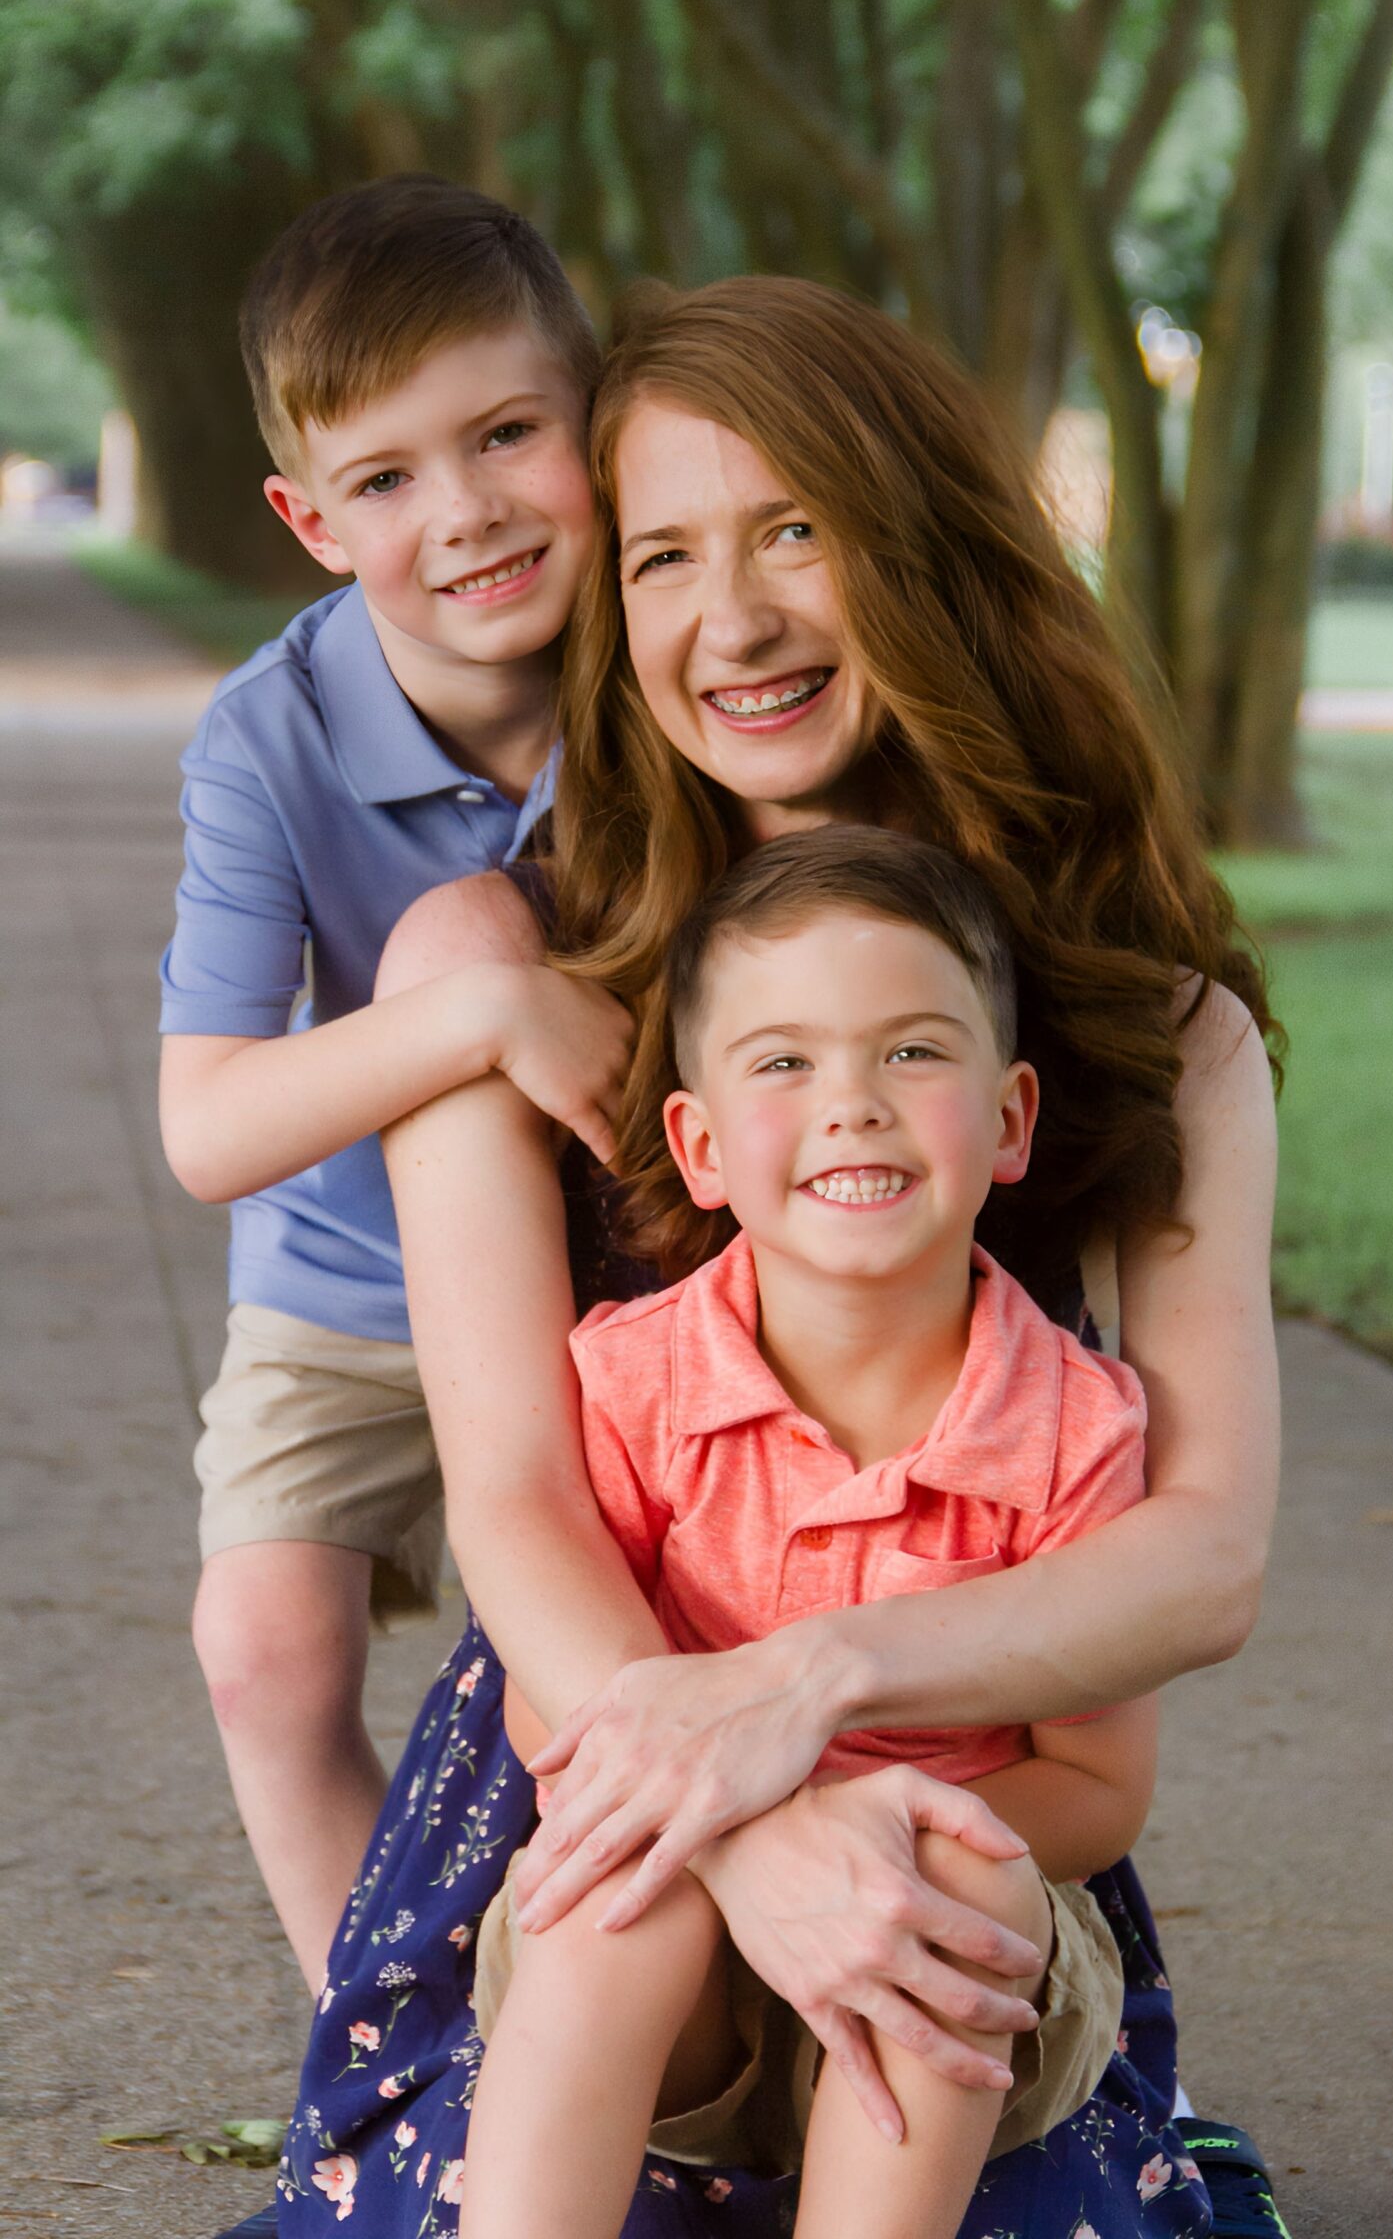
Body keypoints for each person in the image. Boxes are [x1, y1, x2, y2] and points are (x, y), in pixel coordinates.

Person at [277, 276, 1284, 2238]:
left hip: (951, 1780)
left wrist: (812, 1695)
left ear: (917, 549)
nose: (728, 620)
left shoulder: (1152, 1020)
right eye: (664, 553)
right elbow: (511, 1498)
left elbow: (1206, 1548)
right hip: (602, 1753)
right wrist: (737, 1810)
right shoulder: (498, 972)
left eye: (792, 531)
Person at [463, 826, 1177, 2239]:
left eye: (912, 1053)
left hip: (960, 1990)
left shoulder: (1073, 1429)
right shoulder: (630, 1381)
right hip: (669, 1987)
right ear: (701, 1143)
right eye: (785, 1063)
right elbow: (562, 1715)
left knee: (954, 1863)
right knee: (628, 1866)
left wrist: (879, 1831)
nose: (851, 1105)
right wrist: (764, 1827)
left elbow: (1096, 1790)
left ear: (1012, 1117)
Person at [157, 176, 630, 1981]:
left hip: (618, 1265)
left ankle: (639, 2056)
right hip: (347, 1276)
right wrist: (476, 1017)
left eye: (508, 433)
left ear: (592, 414)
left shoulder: (670, 662)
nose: (468, 513)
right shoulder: (265, 739)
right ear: (307, 520)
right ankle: (383, 2062)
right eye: (387, 480)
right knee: (264, 1651)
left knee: (582, 1659)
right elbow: (206, 1129)